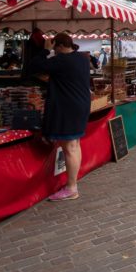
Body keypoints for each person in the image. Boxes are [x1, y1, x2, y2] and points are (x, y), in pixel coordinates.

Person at [31, 32, 92, 202]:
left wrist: (45, 50)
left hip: (68, 107)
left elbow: (35, 65)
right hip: (81, 104)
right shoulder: (81, 58)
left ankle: (71, 187)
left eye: (54, 47)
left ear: (58, 46)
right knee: (75, 144)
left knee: (70, 147)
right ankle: (73, 183)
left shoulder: (61, 60)